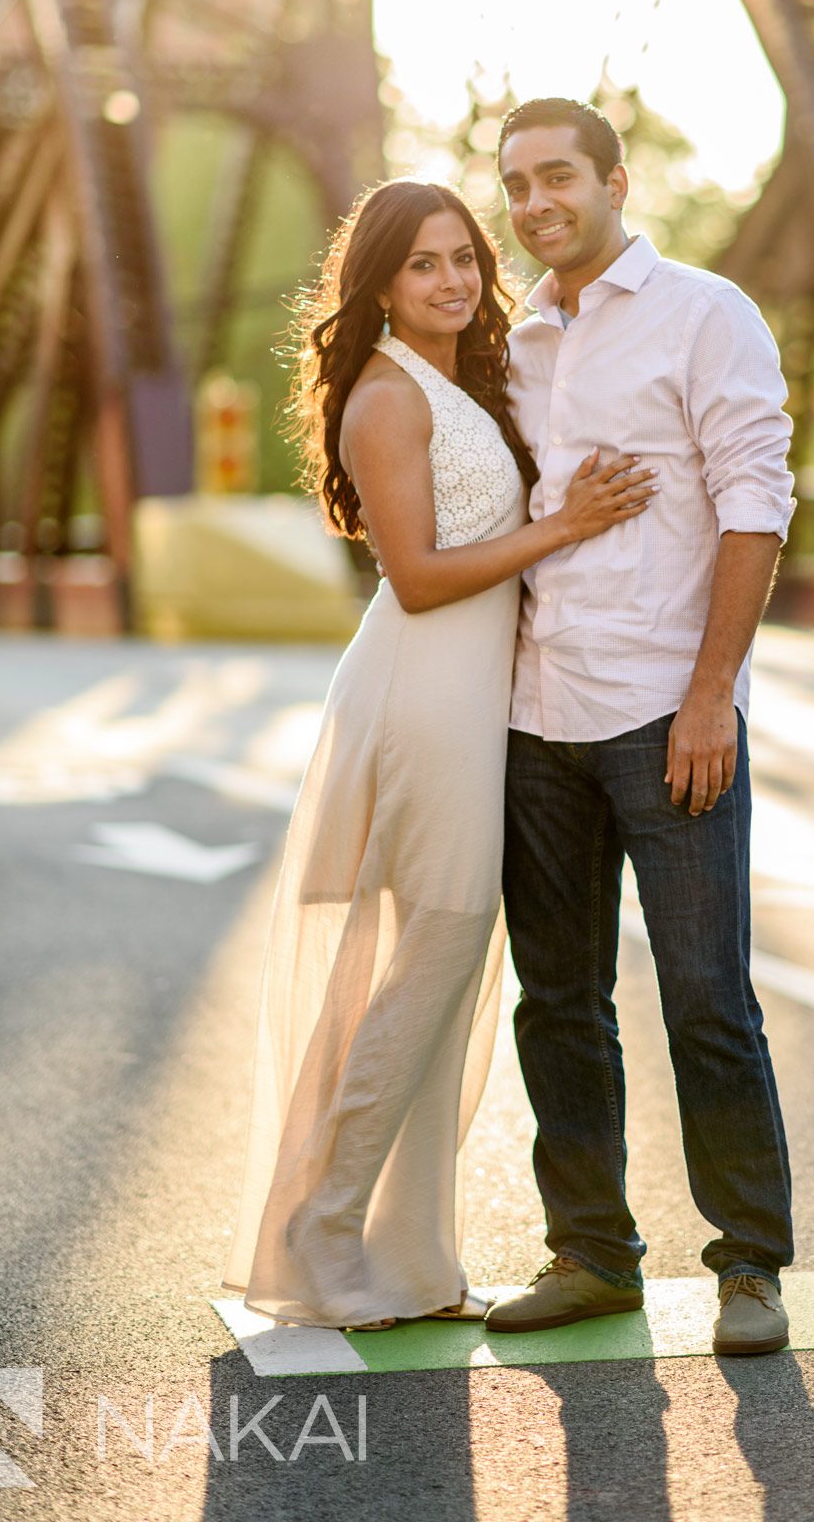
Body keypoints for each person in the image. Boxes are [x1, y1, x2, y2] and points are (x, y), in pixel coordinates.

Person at [221, 178, 655, 1331]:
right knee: (438, 947)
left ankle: (399, 1256)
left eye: (464, 256)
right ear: (379, 282)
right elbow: (414, 576)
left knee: (442, 961)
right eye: (423, 263)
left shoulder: (458, 380)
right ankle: (319, 1234)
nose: (454, 279)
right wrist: (564, 524)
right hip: (419, 695)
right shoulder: (385, 395)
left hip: (473, 699)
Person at [483, 98, 796, 1358]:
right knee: (555, 996)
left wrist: (712, 689)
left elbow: (755, 499)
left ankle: (751, 1263)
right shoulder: (519, 341)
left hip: (666, 708)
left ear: (616, 180)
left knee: (707, 992)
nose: (535, 200)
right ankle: (593, 1252)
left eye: (557, 174)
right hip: (535, 714)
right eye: (515, 183)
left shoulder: (706, 312)